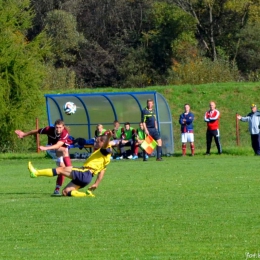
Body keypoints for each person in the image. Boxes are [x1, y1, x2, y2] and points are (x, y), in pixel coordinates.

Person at [28, 131, 114, 197]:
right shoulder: (106, 156)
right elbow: (102, 171)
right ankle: (85, 195)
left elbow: (105, 144)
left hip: (85, 173)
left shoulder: (106, 149)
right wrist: (96, 184)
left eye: (97, 141)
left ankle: (36, 173)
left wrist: (108, 138)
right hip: (87, 178)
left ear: (103, 142)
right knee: (65, 192)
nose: (95, 143)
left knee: (60, 169)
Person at [15, 119, 72, 196]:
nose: (58, 129)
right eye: (57, 127)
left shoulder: (65, 133)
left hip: (56, 148)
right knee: (64, 155)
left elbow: (58, 145)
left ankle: (57, 189)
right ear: (54, 127)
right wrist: (24, 134)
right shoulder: (49, 129)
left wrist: (45, 148)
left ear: (63, 127)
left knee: (62, 168)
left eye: (60, 127)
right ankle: (71, 171)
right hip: (51, 149)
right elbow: (36, 131)